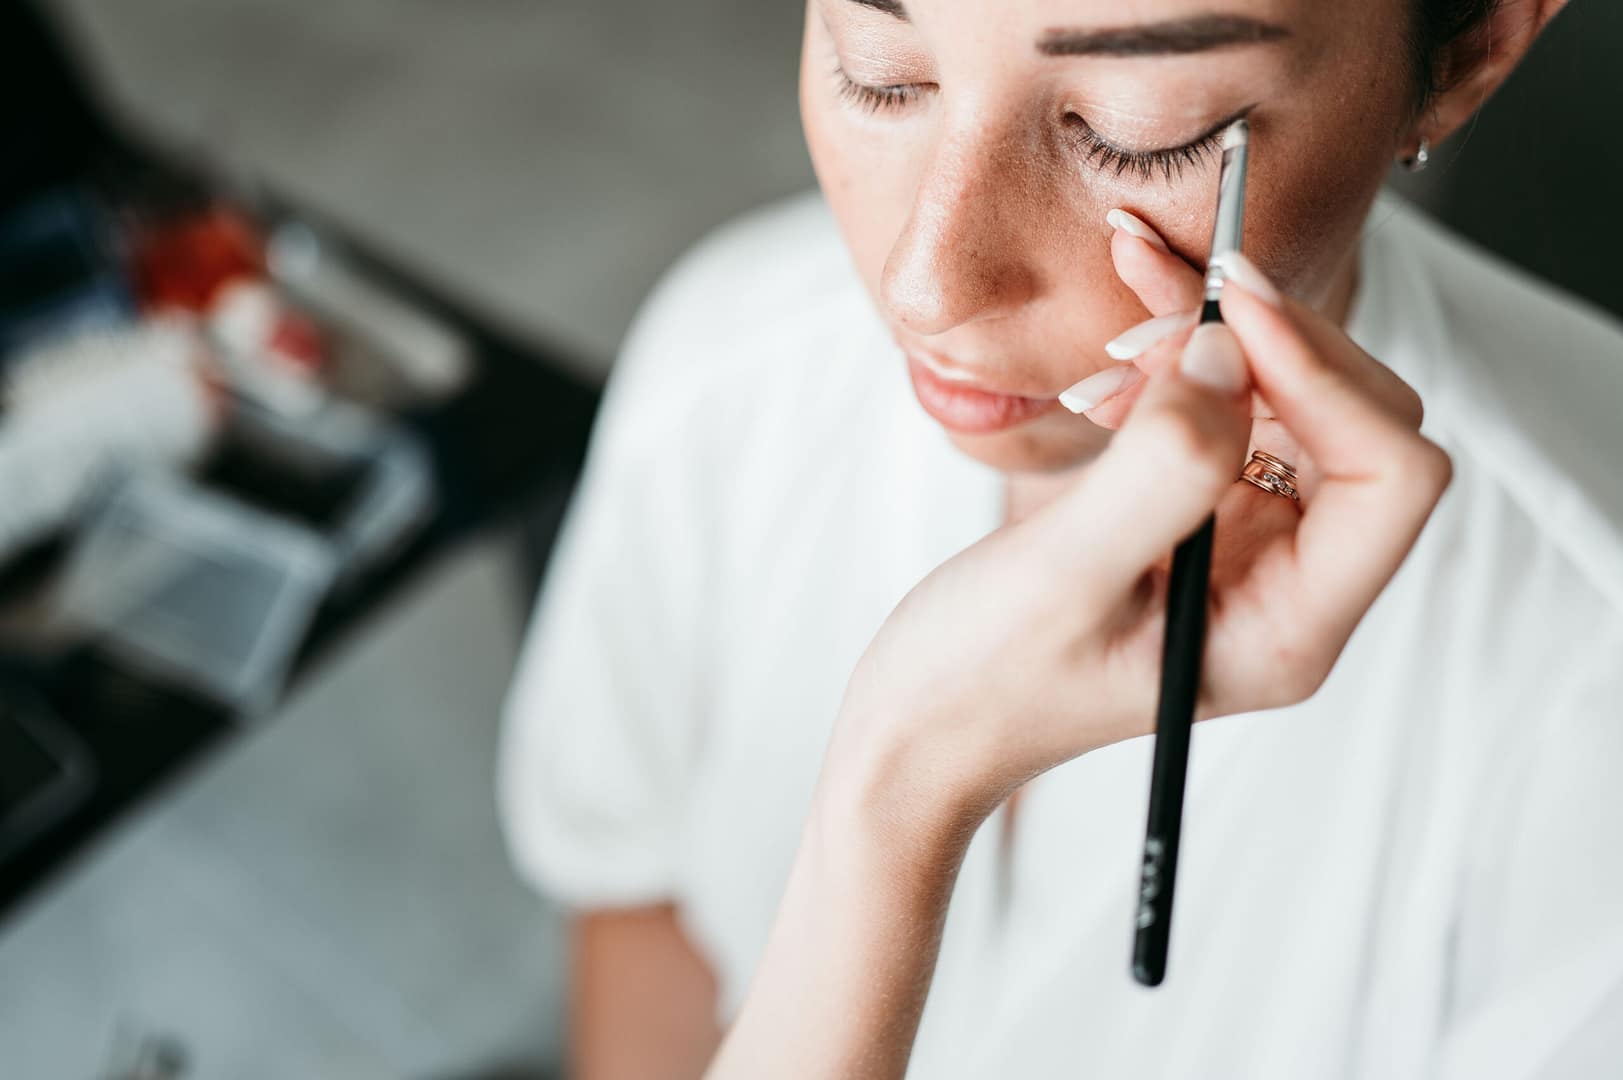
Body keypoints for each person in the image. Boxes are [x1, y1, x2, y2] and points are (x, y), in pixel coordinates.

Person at [498, 0, 1623, 1075]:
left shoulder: (1584, 670)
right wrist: (901, 790)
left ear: (1474, 40)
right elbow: (640, 904)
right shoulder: (736, 362)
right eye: (878, 70)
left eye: (1140, 138)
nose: (927, 285)